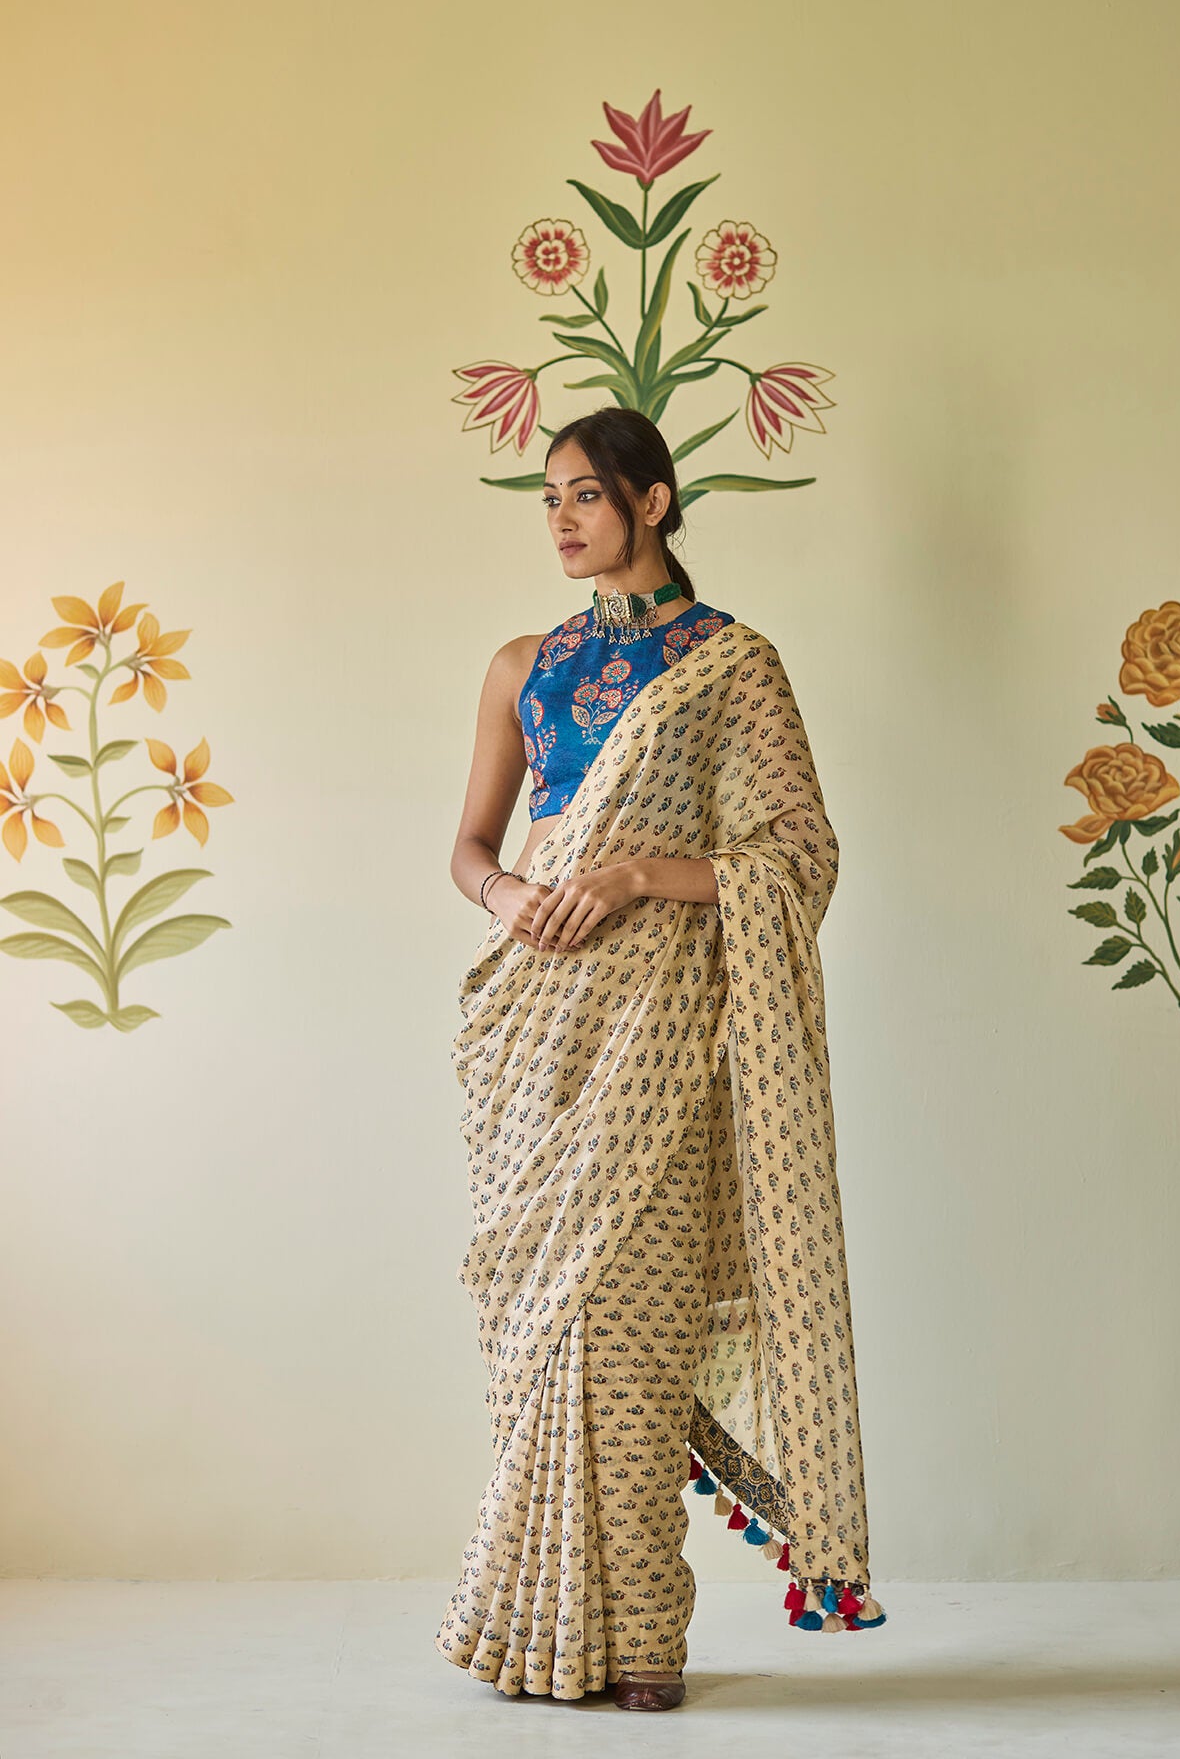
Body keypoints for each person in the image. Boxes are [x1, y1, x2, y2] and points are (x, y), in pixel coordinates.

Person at [437, 406, 885, 1711]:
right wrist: (509, 897)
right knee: (538, 1345)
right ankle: (529, 1624)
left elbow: (800, 859)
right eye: (550, 499)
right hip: (534, 1041)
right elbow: (469, 849)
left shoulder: (735, 665)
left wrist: (635, 872)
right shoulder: (521, 663)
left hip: (662, 1043)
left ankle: (640, 1643)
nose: (565, 519)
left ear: (656, 498)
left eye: (585, 494)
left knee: (629, 1340)